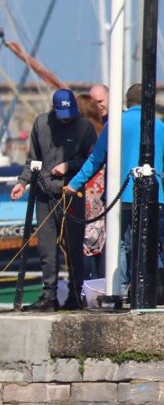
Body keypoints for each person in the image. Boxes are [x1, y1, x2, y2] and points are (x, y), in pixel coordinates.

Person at [65, 83, 164, 298]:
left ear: (127, 102)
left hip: (120, 195)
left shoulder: (116, 124)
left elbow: (95, 159)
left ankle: (118, 291)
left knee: (120, 244)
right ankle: (149, 291)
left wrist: (73, 184)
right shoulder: (158, 126)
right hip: (155, 196)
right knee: (153, 244)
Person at [11, 88, 97, 310]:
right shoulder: (41, 124)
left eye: (70, 115)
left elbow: (94, 159)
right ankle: (49, 296)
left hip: (71, 195)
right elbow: (33, 161)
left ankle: (75, 295)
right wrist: (22, 182)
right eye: (63, 116)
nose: (67, 120)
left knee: (74, 248)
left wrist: (70, 166)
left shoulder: (85, 127)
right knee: (46, 250)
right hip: (44, 195)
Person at [76, 93, 106, 280]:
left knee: (82, 241)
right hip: (101, 192)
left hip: (83, 189)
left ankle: (84, 286)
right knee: (100, 239)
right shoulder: (104, 132)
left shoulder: (80, 134)